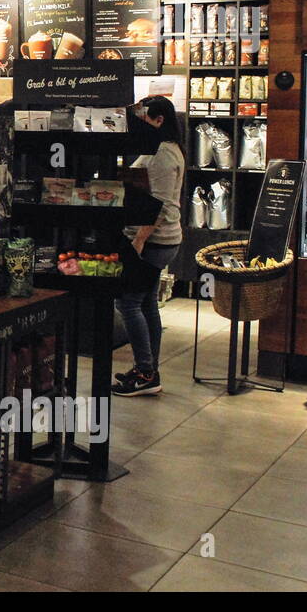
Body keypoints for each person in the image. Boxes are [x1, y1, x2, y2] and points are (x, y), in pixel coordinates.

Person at [113, 95, 184, 397]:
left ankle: (145, 371)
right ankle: (148, 369)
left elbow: (161, 204)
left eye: (142, 117)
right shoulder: (165, 150)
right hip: (160, 239)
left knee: (127, 302)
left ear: (158, 121)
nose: (136, 123)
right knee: (145, 303)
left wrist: (138, 241)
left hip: (154, 240)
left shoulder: (162, 155)